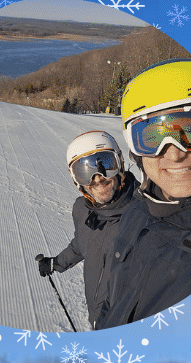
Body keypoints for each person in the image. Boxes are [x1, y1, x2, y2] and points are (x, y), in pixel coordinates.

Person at [89, 59, 191, 329]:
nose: (175, 153)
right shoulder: (139, 207)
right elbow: (116, 291)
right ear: (137, 150)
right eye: (153, 137)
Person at [37, 130, 139, 329]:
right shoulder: (82, 209)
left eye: (106, 165)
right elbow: (81, 245)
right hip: (96, 317)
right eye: (85, 172)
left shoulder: (145, 214)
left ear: (120, 165)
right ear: (76, 180)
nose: (98, 179)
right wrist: (56, 263)